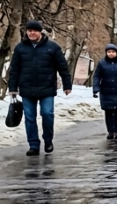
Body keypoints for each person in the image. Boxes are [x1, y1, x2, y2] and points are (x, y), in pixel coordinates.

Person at [6, 20, 71, 156]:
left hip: (46, 87)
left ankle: (48, 140)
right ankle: (34, 145)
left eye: (34, 31)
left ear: (40, 32)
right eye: (29, 31)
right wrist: (12, 88)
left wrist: (67, 84)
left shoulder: (52, 48)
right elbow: (14, 70)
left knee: (47, 114)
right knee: (30, 117)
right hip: (27, 88)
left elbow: (63, 67)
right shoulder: (20, 48)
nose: (32, 33)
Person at [92, 44, 117, 140]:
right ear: (106, 53)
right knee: (108, 112)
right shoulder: (102, 63)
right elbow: (97, 76)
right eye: (109, 52)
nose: (111, 54)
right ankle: (110, 132)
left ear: (116, 53)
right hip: (106, 91)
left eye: (113, 52)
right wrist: (95, 88)